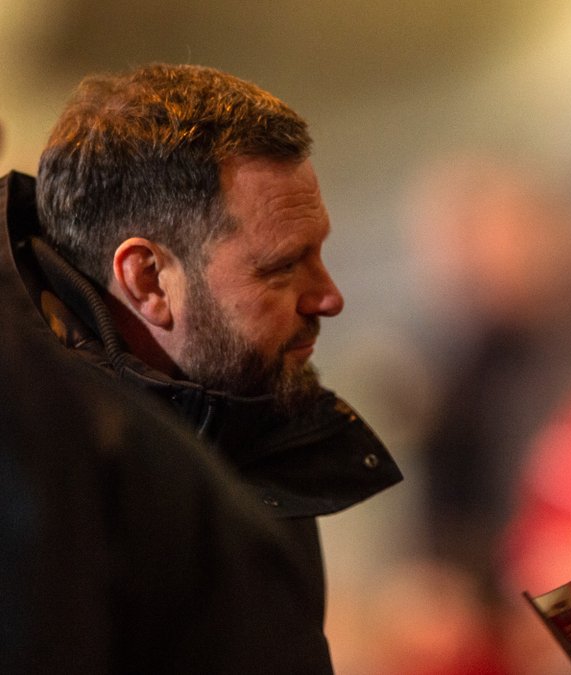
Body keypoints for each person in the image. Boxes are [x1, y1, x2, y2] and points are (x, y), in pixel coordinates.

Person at [2, 64, 401, 670]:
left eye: (318, 252)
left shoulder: (247, 414)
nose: (329, 296)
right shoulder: (33, 462)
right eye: (281, 267)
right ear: (147, 279)